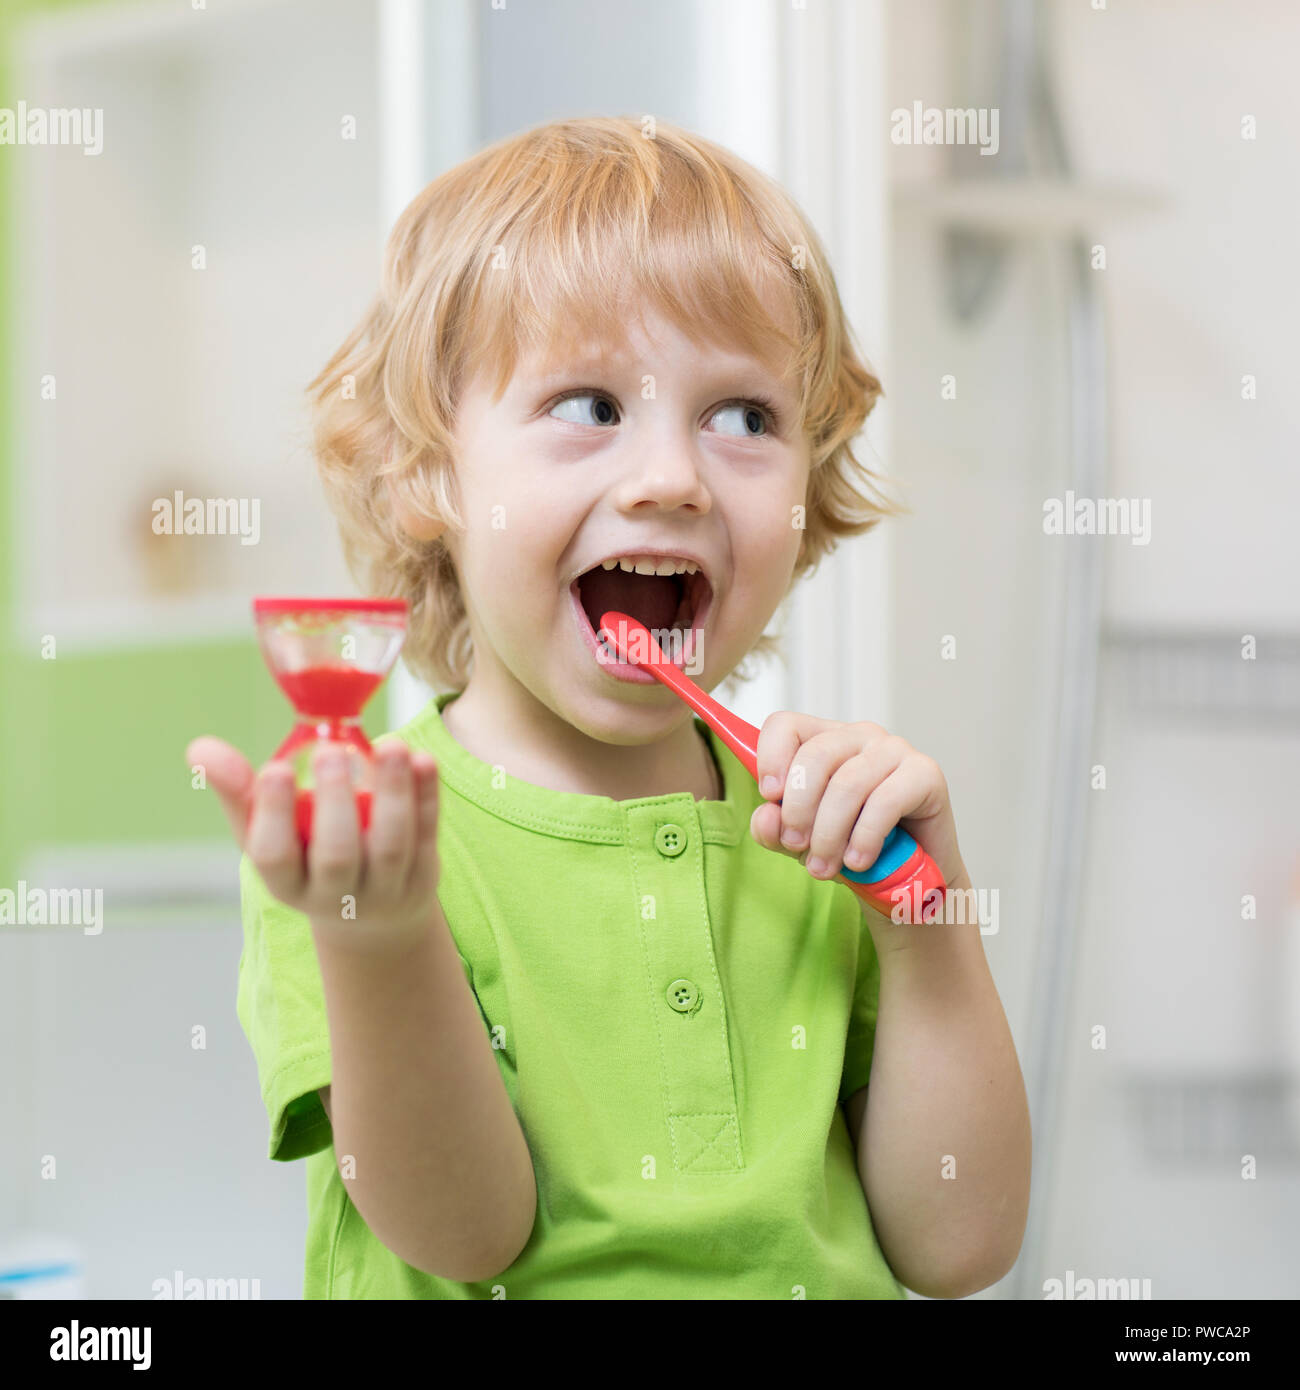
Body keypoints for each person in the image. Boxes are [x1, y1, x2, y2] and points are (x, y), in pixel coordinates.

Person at [187, 116, 1030, 1300]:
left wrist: (925, 924)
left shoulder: (823, 832)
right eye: (588, 404)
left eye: (743, 418)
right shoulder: (362, 843)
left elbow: (961, 1245)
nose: (672, 478)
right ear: (429, 472)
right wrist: (380, 939)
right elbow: (465, 1234)